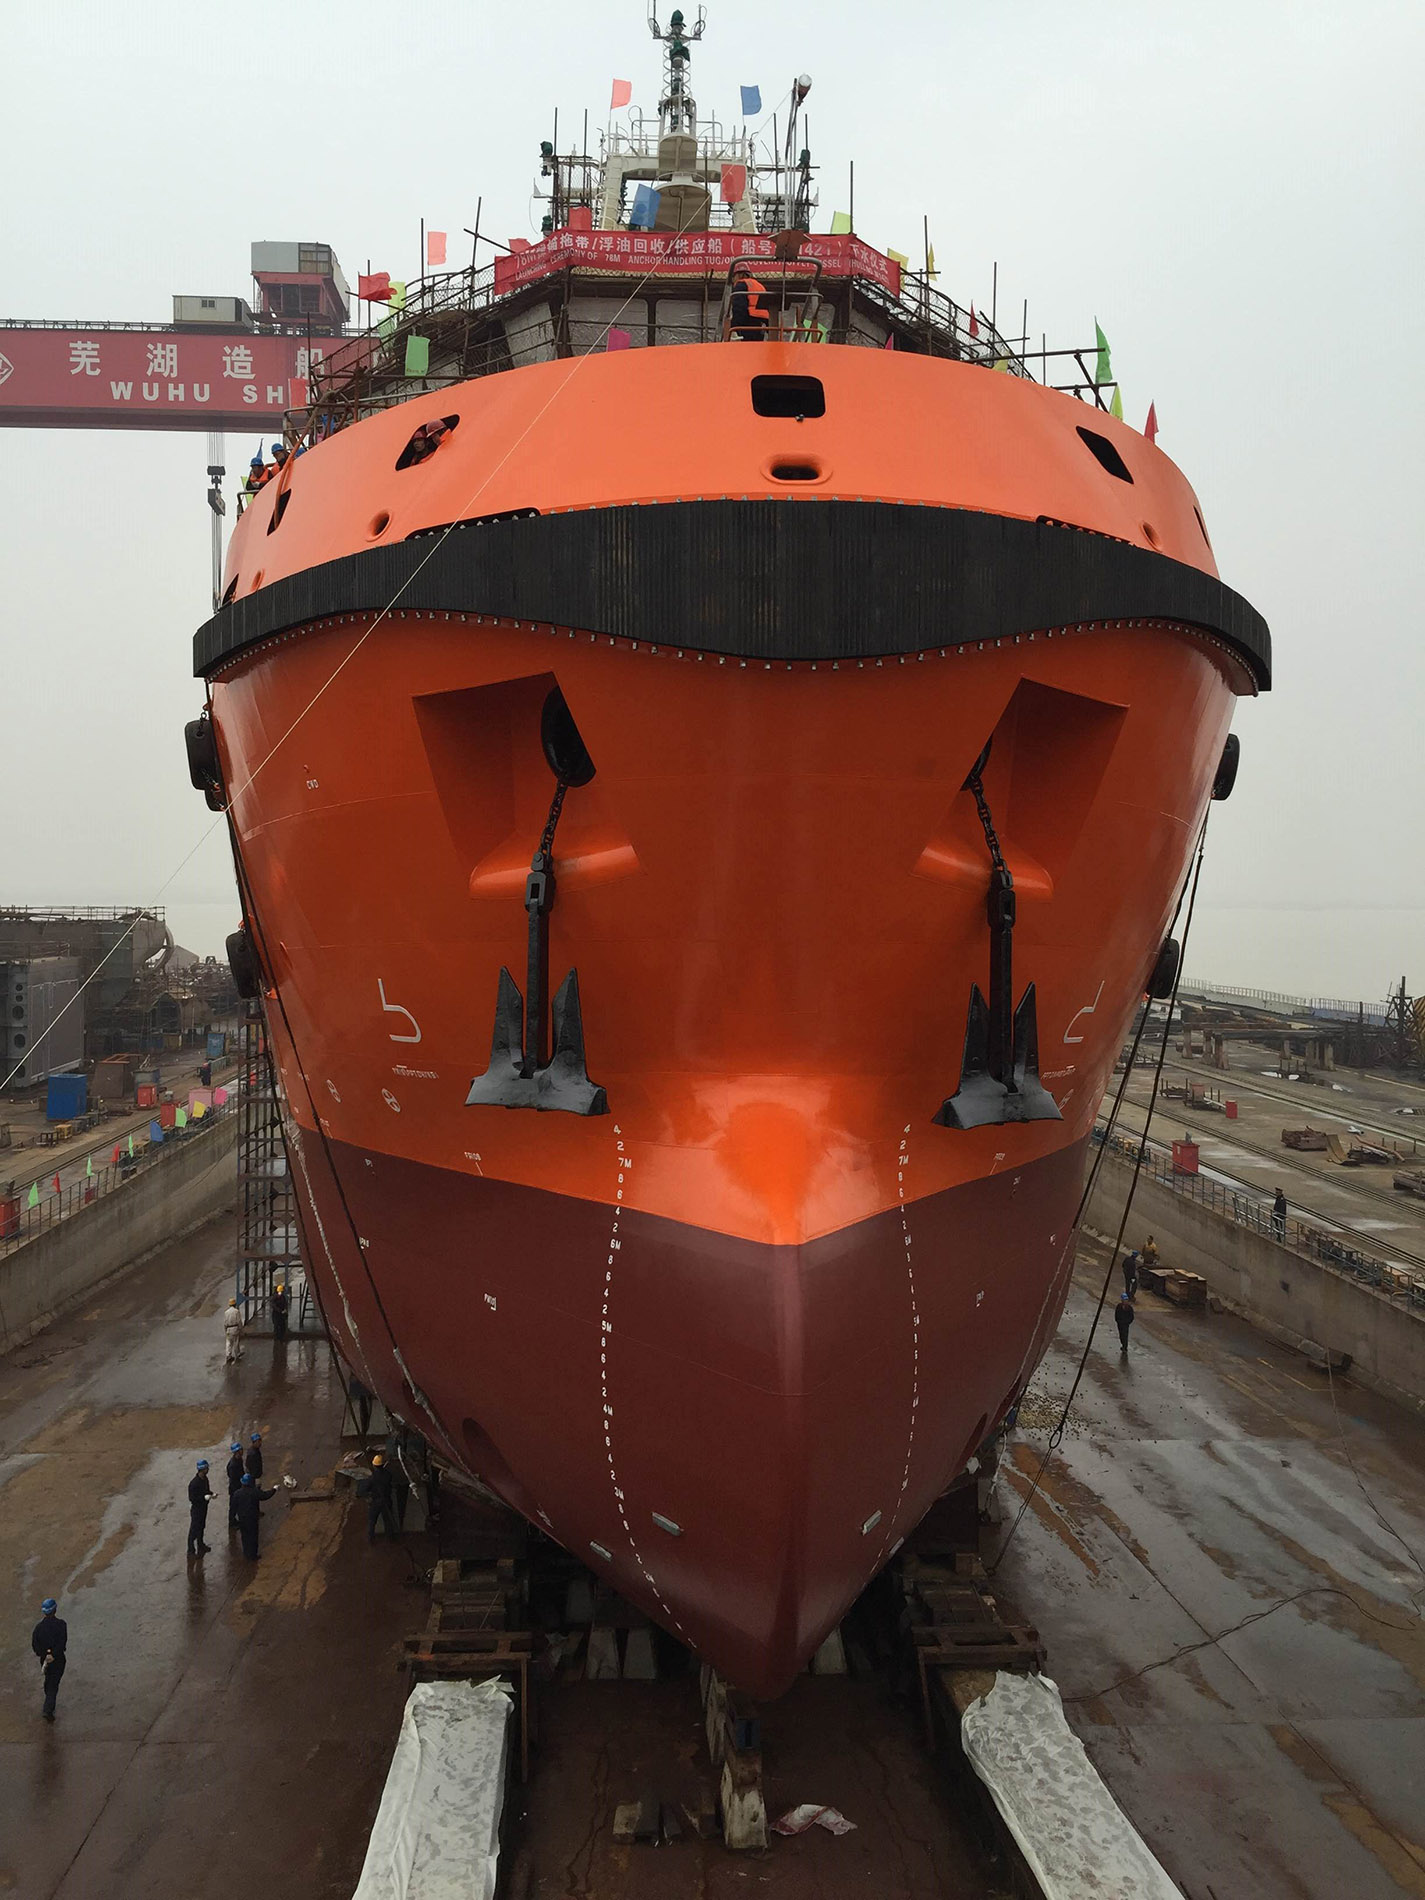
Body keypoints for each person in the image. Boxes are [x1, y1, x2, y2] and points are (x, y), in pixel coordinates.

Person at [32, 1597, 67, 1721]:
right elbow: (62, 1643)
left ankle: (49, 1700)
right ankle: (48, 1709)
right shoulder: (61, 1625)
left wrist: (45, 1654)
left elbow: (35, 1646)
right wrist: (53, 1654)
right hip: (58, 1660)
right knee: (53, 1684)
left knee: (49, 1681)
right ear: (55, 1610)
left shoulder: (38, 1628)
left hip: (44, 1661)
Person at [232, 1472, 277, 1560]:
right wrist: (274, 1489)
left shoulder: (237, 1493)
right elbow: (265, 1496)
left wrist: (233, 1520)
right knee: (253, 1537)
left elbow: (233, 1508)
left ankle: (246, 1553)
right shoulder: (254, 1492)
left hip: (242, 1519)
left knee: (245, 1537)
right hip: (252, 1518)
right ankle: (253, 1555)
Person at [366, 1453, 400, 1543]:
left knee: (372, 1521)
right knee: (388, 1521)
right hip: (386, 1501)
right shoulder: (388, 1475)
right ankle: (390, 1538)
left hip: (376, 1502)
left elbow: (366, 1488)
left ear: (374, 1465)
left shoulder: (372, 1477)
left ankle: (371, 1539)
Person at [730, 273, 770, 341]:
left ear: (737, 275)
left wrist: (734, 326)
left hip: (748, 321)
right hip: (762, 322)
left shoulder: (740, 285)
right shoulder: (759, 285)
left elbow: (739, 308)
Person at [187, 1458, 213, 1558]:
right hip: (197, 1510)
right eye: (206, 1468)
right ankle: (191, 1550)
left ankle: (200, 1544)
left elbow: (207, 1490)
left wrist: (211, 1494)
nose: (208, 1469)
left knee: (201, 1527)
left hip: (203, 1508)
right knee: (194, 1530)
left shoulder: (205, 1479)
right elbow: (192, 1498)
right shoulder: (194, 1484)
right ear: (202, 1469)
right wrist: (203, 1498)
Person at [226, 1441, 246, 1529]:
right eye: (240, 1450)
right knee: (233, 1505)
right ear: (237, 1452)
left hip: (238, 1486)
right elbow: (232, 1477)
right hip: (235, 1488)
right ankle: (232, 1522)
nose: (242, 1451)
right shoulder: (233, 1465)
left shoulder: (239, 1459)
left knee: (238, 1504)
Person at [223, 1297, 243, 1365]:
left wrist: (225, 1330)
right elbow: (239, 1321)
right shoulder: (236, 1311)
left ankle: (228, 1355)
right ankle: (237, 1354)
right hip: (235, 1328)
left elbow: (225, 1322)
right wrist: (241, 1329)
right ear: (235, 1304)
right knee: (236, 1342)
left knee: (228, 1343)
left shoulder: (226, 1312)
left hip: (228, 1328)